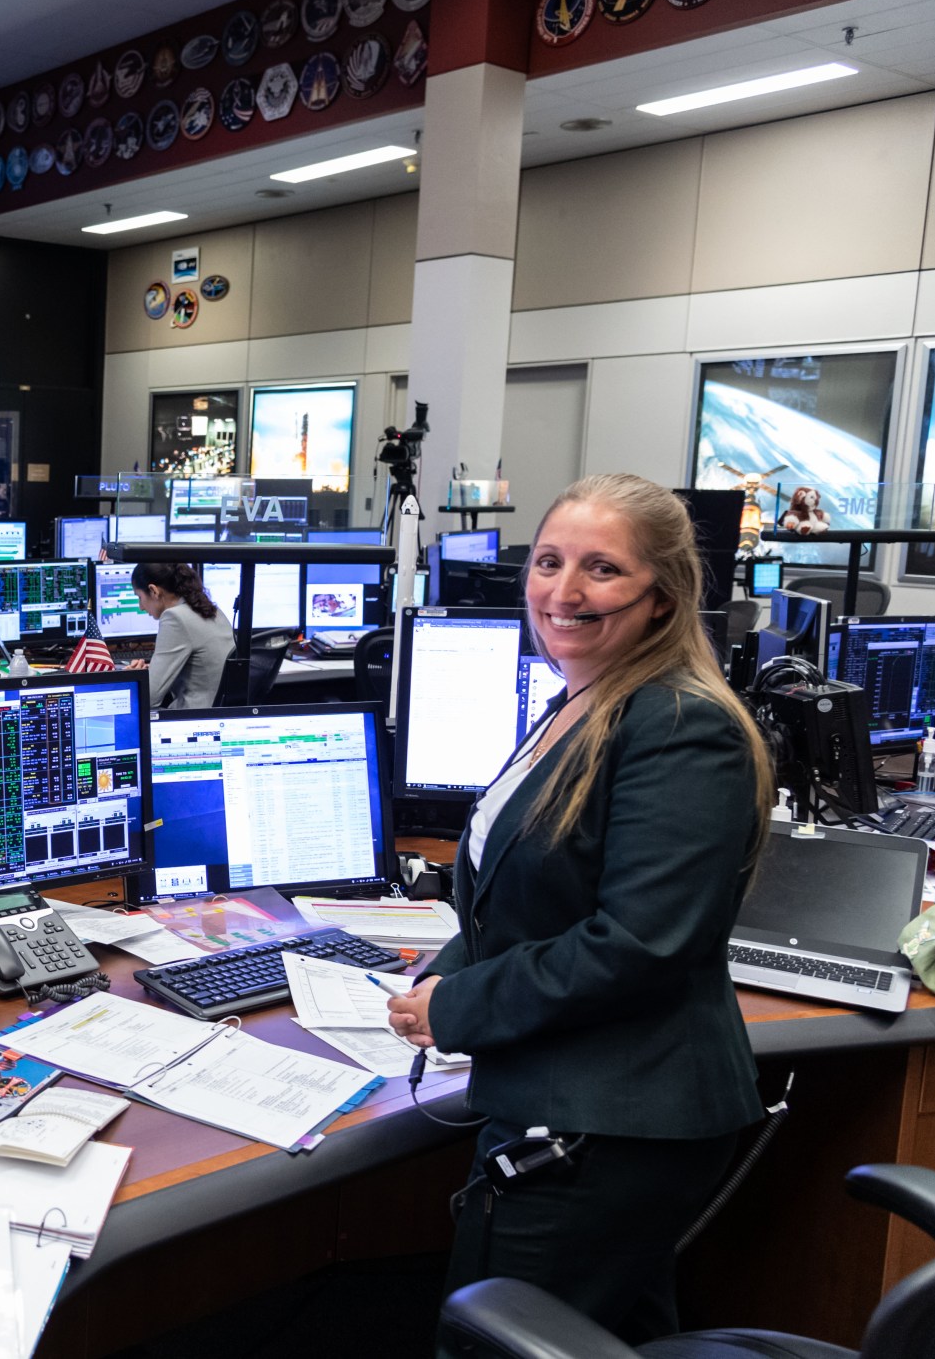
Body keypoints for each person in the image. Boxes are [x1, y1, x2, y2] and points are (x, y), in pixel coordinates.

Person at [384, 474, 773, 1347]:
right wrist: (444, 972)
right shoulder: (583, 699)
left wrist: (462, 1006)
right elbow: (534, 894)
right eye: (550, 561)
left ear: (662, 597)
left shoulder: (679, 724)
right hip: (586, 1106)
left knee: (495, 1340)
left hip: (608, 1120)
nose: (564, 590)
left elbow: (637, 943)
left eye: (602, 569)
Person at [126, 560, 232, 708]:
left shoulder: (175, 618)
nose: (141, 607)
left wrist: (133, 679)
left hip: (194, 719)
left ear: (154, 591)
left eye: (139, 597)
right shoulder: (212, 610)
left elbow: (148, 698)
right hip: (219, 712)